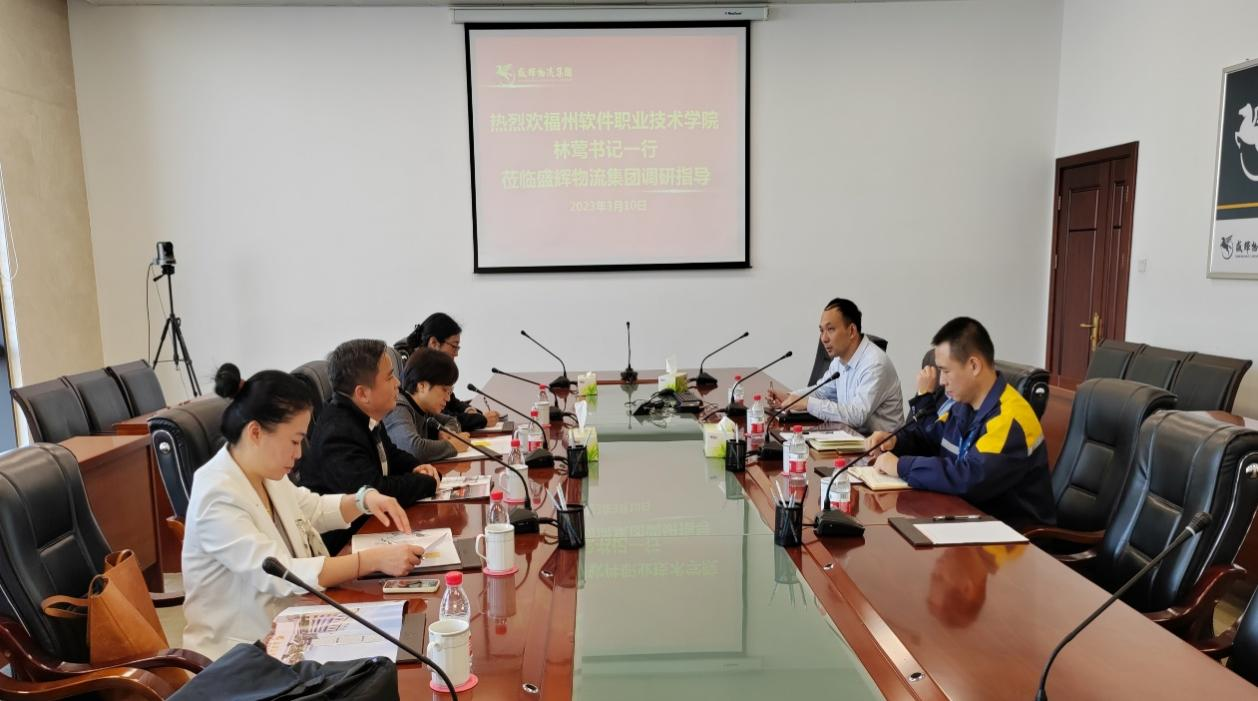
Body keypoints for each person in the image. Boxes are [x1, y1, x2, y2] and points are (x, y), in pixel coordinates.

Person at [182, 365, 427, 659]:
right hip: (240, 655)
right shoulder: (216, 495)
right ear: (256, 432)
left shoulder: (262, 471)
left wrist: (364, 499)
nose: (298, 454)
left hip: (294, 626)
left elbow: (312, 508)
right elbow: (283, 572)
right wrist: (372, 560)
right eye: (294, 441)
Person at [867, 317, 1055, 527]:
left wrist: (901, 466)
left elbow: (969, 477)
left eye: (946, 371)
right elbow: (930, 439)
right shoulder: (963, 406)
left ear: (973, 365)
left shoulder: (1011, 419)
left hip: (1012, 535)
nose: (941, 381)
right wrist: (894, 442)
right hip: (966, 520)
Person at [299, 338, 440, 552]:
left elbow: (391, 455)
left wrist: (416, 466)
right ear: (362, 393)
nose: (398, 383)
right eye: (389, 377)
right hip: (344, 548)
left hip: (372, 530)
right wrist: (426, 482)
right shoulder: (337, 433)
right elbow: (375, 491)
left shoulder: (363, 414)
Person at [767, 298, 904, 433]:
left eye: (830, 329)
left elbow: (857, 415)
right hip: (852, 437)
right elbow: (821, 393)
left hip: (882, 444)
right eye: (821, 331)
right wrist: (789, 397)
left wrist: (807, 403)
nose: (824, 338)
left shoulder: (875, 364)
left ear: (851, 331)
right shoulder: (839, 361)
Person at [400, 313, 500, 431]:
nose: (456, 353)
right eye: (454, 346)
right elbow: (442, 416)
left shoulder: (431, 367)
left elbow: (451, 402)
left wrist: (468, 410)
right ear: (434, 343)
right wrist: (480, 420)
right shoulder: (416, 370)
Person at [384, 348, 468, 463]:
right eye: (444, 390)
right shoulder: (398, 407)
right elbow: (413, 449)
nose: (448, 398)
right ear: (422, 386)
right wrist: (452, 445)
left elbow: (453, 421)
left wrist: (445, 433)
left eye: (450, 392)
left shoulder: (424, 408)